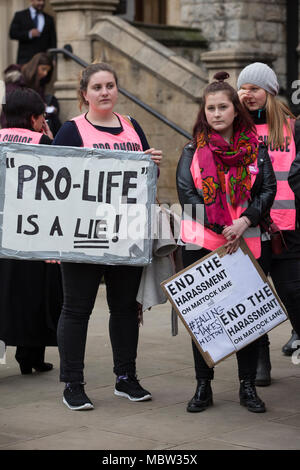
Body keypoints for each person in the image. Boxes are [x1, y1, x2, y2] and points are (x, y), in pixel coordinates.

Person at [53, 62, 162, 411]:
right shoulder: (71, 130)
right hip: (83, 235)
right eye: (97, 87)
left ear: (117, 89)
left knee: (125, 308)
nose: (104, 92)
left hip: (127, 232)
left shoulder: (132, 126)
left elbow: (146, 179)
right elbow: (54, 185)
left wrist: (152, 163)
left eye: (110, 85)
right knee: (77, 309)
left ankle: (125, 378)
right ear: (84, 94)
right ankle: (73, 383)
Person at [176, 72, 276, 414]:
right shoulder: (192, 150)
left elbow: (267, 190)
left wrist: (244, 221)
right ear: (204, 113)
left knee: (247, 317)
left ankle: (247, 386)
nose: (216, 114)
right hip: (204, 244)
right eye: (210, 109)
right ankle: (203, 385)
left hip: (246, 244)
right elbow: (187, 195)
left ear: (236, 110)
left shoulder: (256, 149)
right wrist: (222, 227)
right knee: (203, 318)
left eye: (223, 107)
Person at [237, 62, 300, 385]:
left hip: (289, 229)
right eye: (244, 88)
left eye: (255, 88)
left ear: (270, 92)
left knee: (292, 291)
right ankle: (260, 361)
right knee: (254, 297)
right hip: (250, 230)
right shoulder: (235, 131)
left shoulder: (293, 128)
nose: (248, 94)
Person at [0, 88, 63, 374]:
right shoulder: (44, 143)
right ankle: (31, 357)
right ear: (35, 118)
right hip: (32, 233)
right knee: (34, 295)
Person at [1, 52, 61, 136]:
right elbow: (9, 105)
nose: (45, 73)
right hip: (16, 121)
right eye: (43, 69)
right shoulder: (14, 81)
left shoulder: (38, 82)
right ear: (35, 67)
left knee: (52, 114)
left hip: (31, 119)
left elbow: (41, 104)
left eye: (47, 71)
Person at [9, 0, 56, 65]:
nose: (42, 3)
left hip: (43, 61)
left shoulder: (49, 19)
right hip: (25, 61)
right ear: (31, 1)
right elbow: (12, 33)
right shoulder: (20, 15)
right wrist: (29, 34)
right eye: (39, 0)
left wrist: (53, 58)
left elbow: (53, 41)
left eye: (43, 1)